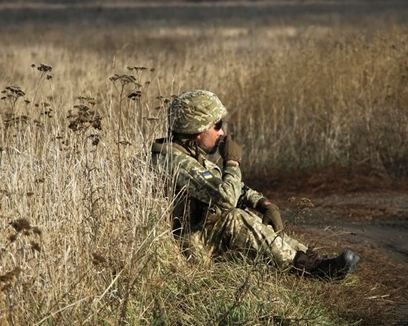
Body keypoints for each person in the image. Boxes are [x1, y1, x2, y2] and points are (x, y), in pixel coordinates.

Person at [149, 89, 360, 280]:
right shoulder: (173, 161)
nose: (222, 132)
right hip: (186, 246)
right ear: (198, 131)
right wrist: (232, 162)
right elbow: (226, 199)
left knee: (248, 215)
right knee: (235, 217)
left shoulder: (189, 154)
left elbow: (223, 185)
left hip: (198, 234)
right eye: (217, 125)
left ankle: (311, 259)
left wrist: (262, 203)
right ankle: (308, 269)